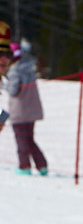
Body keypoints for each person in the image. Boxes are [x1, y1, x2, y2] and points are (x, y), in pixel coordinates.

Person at [0, 39, 47, 176]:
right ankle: (42, 165)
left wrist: (5, 85)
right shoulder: (29, 68)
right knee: (29, 139)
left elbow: (13, 90)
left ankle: (24, 166)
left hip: (19, 111)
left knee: (21, 140)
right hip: (31, 110)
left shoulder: (14, 70)